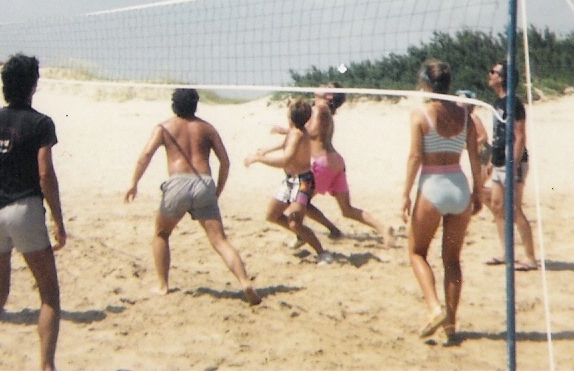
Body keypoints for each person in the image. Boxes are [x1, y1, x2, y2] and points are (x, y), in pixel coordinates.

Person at [0, 54, 66, 371]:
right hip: (25, 208)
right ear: (33, 86)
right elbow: (45, 174)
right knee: (49, 294)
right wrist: (57, 219)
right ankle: (46, 366)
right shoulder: (40, 122)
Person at [124, 88, 261, 305]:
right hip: (204, 182)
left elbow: (145, 156)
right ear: (196, 105)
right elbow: (225, 162)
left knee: (161, 233)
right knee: (220, 240)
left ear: (173, 104)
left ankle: (162, 285)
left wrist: (133, 183)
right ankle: (244, 281)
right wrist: (217, 190)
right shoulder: (207, 128)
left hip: (178, 182)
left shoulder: (164, 127)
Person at [401, 59, 483, 345]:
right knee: (452, 260)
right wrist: (478, 191)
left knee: (416, 252)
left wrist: (404, 194)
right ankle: (451, 323)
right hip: (459, 185)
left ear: (426, 83)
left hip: (433, 186)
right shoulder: (465, 116)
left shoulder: (420, 114)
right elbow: (474, 157)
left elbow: (414, 158)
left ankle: (434, 307)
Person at [275, 83, 395, 248]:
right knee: (346, 209)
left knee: (300, 201)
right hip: (334, 161)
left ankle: (304, 234)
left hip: (322, 163)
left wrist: (288, 128)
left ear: (329, 96)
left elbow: (312, 133)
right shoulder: (321, 110)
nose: (321, 85)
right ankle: (382, 228)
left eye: (326, 86)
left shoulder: (320, 109)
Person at [245, 98, 332, 264]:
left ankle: (322, 252)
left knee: (294, 223)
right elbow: (286, 141)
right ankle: (302, 236)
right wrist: (267, 149)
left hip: (302, 182)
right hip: (290, 181)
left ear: (290, 117)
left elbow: (285, 161)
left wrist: (258, 158)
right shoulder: (295, 130)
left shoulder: (298, 134)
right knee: (272, 215)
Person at [484, 61, 537, 271]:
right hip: (498, 162)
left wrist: (513, 165)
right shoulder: (497, 102)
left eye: (493, 72)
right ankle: (507, 253)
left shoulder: (514, 103)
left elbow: (519, 136)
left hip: (513, 163)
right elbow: (498, 135)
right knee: (497, 206)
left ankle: (530, 257)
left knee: (514, 209)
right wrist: (491, 161)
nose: (489, 75)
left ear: (503, 77)